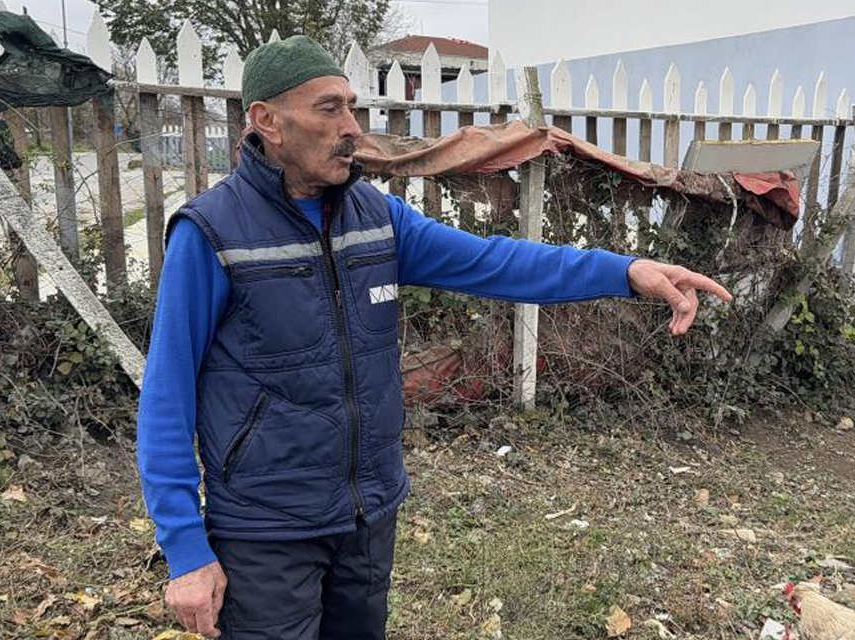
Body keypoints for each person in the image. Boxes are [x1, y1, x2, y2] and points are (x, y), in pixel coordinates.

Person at [137, 35, 732, 640]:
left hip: (368, 513)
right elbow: (166, 395)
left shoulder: (375, 218)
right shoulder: (211, 233)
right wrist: (186, 552)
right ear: (268, 121)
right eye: (328, 108)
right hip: (266, 529)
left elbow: (497, 262)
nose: (352, 126)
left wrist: (625, 272)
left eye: (351, 105)